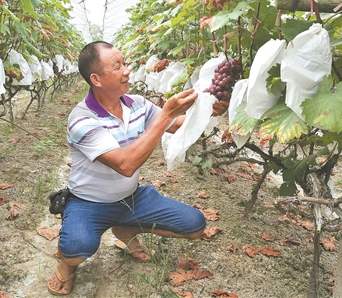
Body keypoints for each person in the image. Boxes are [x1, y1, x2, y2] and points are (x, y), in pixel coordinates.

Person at [48, 41, 226, 296]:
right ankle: (67, 264)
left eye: (125, 63)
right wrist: (164, 116)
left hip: (131, 198)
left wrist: (211, 110)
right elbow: (125, 164)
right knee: (77, 249)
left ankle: (126, 227)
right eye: (117, 66)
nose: (127, 70)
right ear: (96, 79)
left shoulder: (137, 104)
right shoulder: (82, 119)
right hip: (88, 201)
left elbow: (177, 124)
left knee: (194, 225)